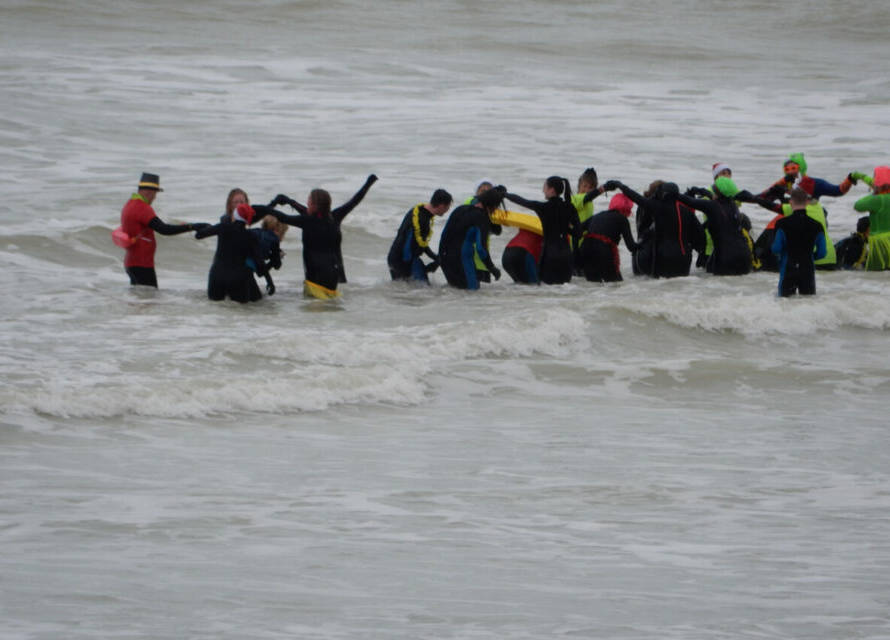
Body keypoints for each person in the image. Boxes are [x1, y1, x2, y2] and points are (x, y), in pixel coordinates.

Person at [263, 175, 377, 299]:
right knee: (330, 306)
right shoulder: (334, 217)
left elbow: (287, 217)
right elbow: (354, 201)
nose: (307, 202)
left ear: (314, 205)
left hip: (315, 278)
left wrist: (263, 209)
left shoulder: (308, 221)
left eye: (309, 200)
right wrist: (368, 183)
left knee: (315, 307)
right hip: (334, 277)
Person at [114, 172, 209, 287]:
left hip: (131, 263)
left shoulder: (129, 205)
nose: (155, 197)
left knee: (139, 296)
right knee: (149, 297)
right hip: (142, 263)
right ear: (148, 192)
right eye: (155, 194)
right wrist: (192, 226)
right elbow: (164, 229)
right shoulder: (142, 208)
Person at [606, 179, 705, 278]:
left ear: (662, 194)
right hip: (683, 260)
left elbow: (636, 197)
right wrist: (700, 253)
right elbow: (700, 235)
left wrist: (619, 185)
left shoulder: (657, 207)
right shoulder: (687, 212)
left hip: (663, 258)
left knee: (661, 286)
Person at [739, 185, 838, 270]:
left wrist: (753, 198)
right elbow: (795, 200)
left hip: (813, 261)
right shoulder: (817, 206)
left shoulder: (795, 209)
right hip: (831, 259)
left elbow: (774, 206)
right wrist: (782, 194)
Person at [504, 176, 581, 284]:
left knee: (548, 291)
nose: (543, 190)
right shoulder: (570, 207)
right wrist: (565, 228)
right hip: (566, 257)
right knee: (565, 290)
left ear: (552, 190)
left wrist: (505, 194)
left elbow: (522, 201)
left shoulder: (543, 207)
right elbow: (578, 233)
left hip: (549, 256)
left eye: (545, 187)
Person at [677, 176, 752, 275]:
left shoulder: (711, 206)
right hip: (745, 256)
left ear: (717, 191)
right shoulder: (733, 205)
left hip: (726, 258)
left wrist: (673, 191)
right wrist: (704, 192)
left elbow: (688, 201)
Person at [195, 203, 269, 303]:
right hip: (238, 278)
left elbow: (198, 235)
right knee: (240, 310)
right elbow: (259, 263)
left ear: (235, 215)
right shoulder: (251, 236)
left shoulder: (222, 227)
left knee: (214, 307)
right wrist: (269, 282)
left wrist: (200, 227)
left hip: (217, 276)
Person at [438, 188, 503, 290]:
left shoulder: (459, 209)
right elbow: (481, 249)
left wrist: (439, 259)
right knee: (471, 291)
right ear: (493, 205)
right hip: (462, 260)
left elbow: (444, 235)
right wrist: (492, 268)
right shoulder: (482, 218)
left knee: (454, 292)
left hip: (445, 259)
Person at [387, 189, 453, 283]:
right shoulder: (422, 220)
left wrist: (436, 258)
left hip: (395, 256)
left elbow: (419, 243)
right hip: (403, 259)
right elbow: (410, 246)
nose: (447, 210)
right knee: (424, 289)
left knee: (402, 289)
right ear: (442, 206)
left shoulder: (418, 211)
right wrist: (409, 268)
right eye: (448, 207)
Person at [771, 187, 827, 297]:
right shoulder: (817, 225)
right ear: (807, 202)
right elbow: (822, 253)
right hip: (807, 268)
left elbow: (776, 248)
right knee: (808, 302)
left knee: (784, 302)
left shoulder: (782, 223)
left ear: (791, 202)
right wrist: (810, 257)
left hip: (788, 267)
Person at [577, 192, 639, 282]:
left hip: (585, 249)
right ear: (627, 207)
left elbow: (578, 229)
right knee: (615, 284)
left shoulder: (599, 215)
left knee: (592, 285)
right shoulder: (622, 219)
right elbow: (631, 246)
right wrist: (644, 241)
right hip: (603, 249)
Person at [759, 152, 860, 202]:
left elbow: (838, 191)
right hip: (790, 219)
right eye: (787, 169)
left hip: (812, 219)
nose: (790, 172)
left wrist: (849, 180)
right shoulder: (784, 184)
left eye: (794, 168)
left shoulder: (816, 184)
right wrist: (780, 183)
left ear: (801, 167)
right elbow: (762, 198)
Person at [463, 180, 502, 283]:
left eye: (488, 191)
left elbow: (497, 230)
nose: (485, 193)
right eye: (483, 191)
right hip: (471, 254)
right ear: (477, 192)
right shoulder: (472, 201)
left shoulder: (487, 210)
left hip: (483, 256)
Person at [853, 166, 890, 271]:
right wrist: (861, 176)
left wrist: (874, 194)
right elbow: (874, 182)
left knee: (877, 273)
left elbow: (858, 206)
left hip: (880, 243)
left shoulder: (878, 200)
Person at [249, 215, 288, 295]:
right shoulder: (273, 239)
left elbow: (259, 265)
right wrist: (277, 257)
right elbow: (276, 266)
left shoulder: (254, 232)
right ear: (278, 230)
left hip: (228, 267)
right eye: (283, 232)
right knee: (257, 299)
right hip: (244, 272)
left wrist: (271, 255)